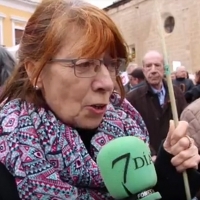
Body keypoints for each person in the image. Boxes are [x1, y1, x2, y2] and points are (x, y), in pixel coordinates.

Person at [0, 1, 199, 200]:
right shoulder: (10, 154)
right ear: (36, 72)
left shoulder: (126, 126)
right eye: (85, 64)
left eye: (112, 64)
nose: (108, 83)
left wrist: (168, 170)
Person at [126, 51, 187, 155]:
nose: (153, 70)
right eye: (148, 66)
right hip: (149, 159)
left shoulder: (175, 93)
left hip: (175, 155)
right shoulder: (133, 98)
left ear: (164, 68)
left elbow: (184, 121)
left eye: (157, 65)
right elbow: (131, 131)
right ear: (144, 70)